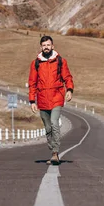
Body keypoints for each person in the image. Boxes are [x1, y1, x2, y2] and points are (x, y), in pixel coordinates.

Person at [28, 35, 74, 164]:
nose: (46, 47)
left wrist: (69, 90)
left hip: (56, 97)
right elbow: (32, 83)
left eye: (48, 45)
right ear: (41, 47)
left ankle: (55, 153)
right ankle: (52, 149)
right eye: (44, 45)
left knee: (54, 123)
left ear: (52, 46)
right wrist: (32, 101)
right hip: (42, 99)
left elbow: (67, 77)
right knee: (48, 128)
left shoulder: (60, 61)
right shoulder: (36, 63)